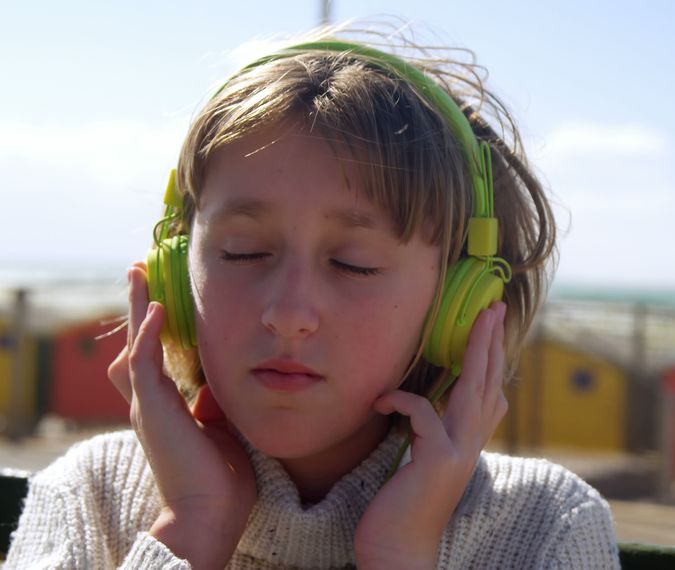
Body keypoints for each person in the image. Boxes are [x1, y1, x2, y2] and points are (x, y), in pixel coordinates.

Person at [6, 26, 620, 569]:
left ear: (458, 306)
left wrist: (399, 557)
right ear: (173, 272)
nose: (289, 315)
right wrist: (193, 529)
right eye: (243, 251)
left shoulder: (547, 527)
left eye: (353, 265)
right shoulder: (91, 495)